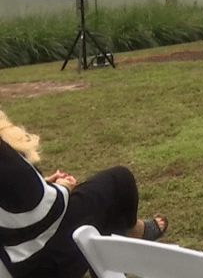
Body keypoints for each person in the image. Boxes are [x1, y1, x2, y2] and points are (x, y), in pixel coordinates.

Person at [0, 109, 168, 278]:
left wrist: (41, 185)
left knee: (103, 197)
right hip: (34, 266)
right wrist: (63, 188)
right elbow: (42, 215)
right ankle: (132, 234)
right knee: (119, 181)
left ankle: (128, 236)